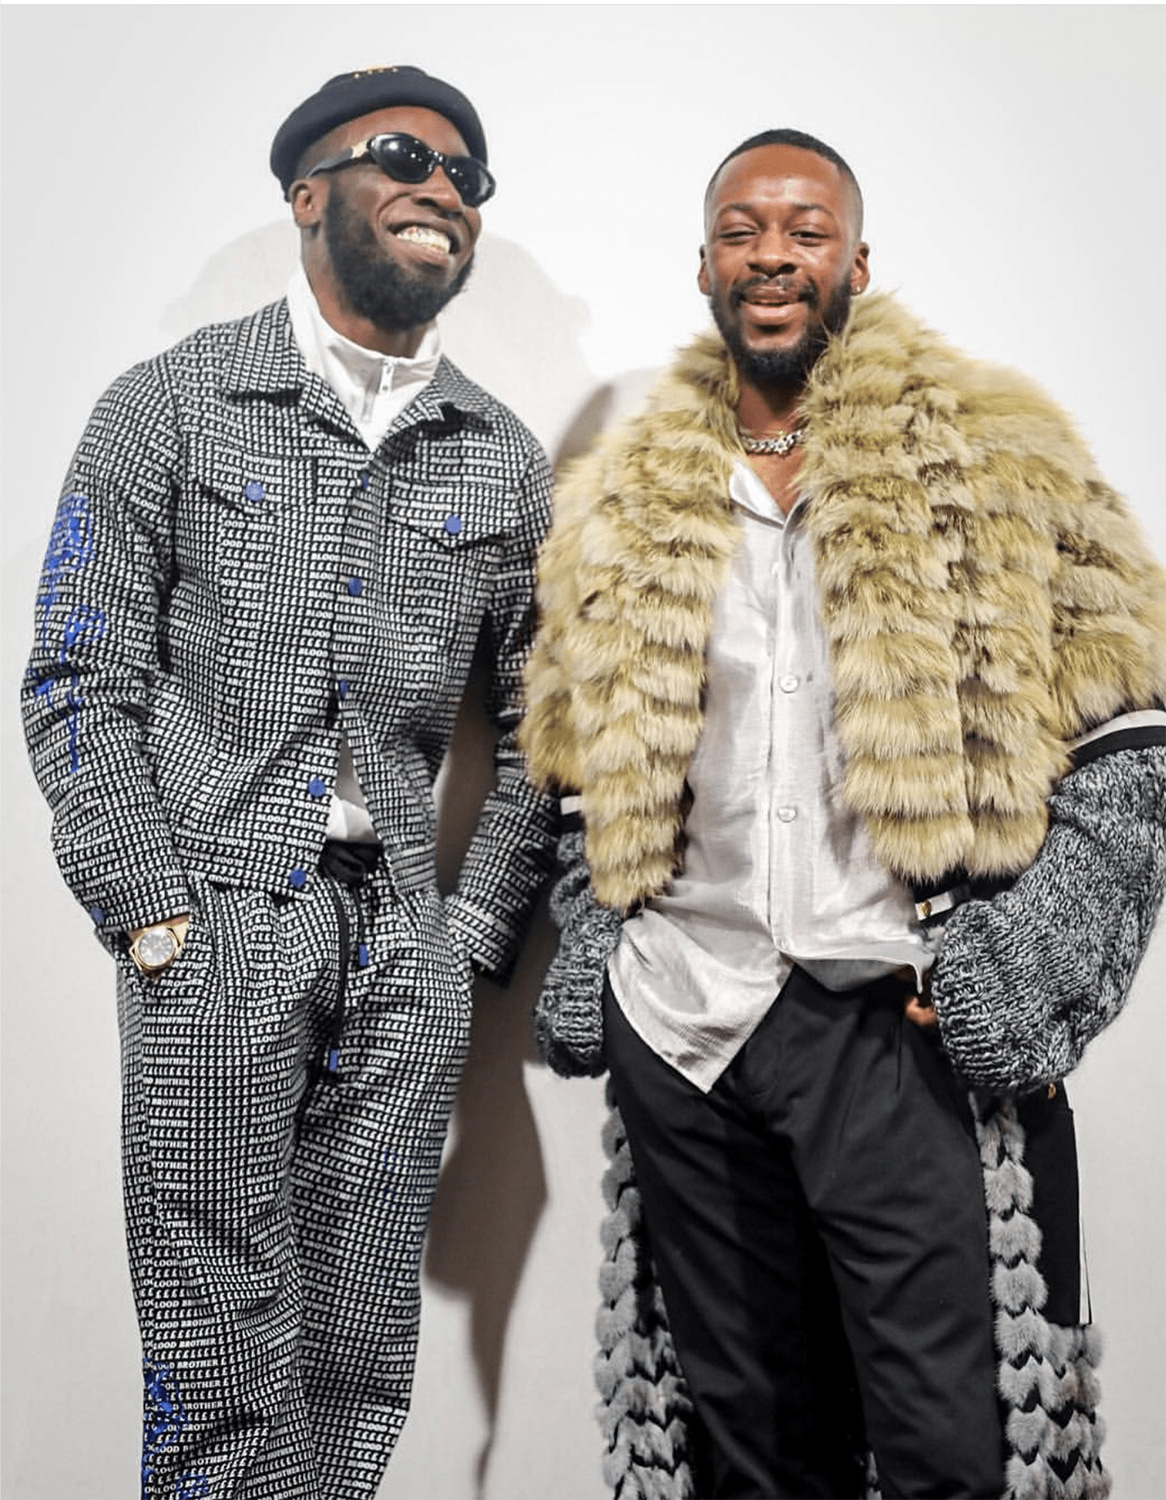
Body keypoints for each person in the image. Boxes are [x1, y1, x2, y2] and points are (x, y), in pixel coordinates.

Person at [520, 129, 1166, 1499]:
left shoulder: (995, 455)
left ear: (856, 264)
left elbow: (1132, 738)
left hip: (894, 1023)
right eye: (741, 230)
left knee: (952, 1449)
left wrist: (1022, 967)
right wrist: (601, 961)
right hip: (687, 1024)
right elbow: (569, 767)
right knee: (752, 1453)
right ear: (703, 265)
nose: (771, 257)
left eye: (804, 231)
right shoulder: (619, 499)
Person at [22, 65, 555, 1500]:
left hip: (401, 949)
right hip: (215, 927)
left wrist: (464, 944)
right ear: (308, 194)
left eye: (467, 175)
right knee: (215, 1361)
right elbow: (77, 674)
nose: (444, 188)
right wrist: (152, 913)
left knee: (358, 1355)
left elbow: (546, 732)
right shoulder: (169, 406)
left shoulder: (503, 460)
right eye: (404, 157)